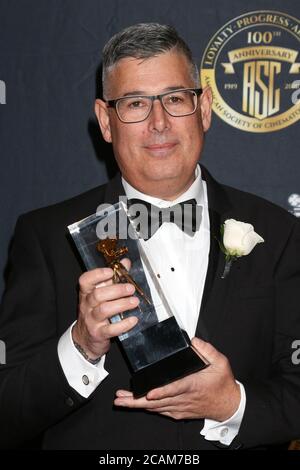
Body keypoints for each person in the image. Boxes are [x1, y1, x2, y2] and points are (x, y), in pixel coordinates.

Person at [0, 22, 300, 450]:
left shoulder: (281, 233)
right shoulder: (46, 237)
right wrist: (80, 346)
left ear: (205, 109)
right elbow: (7, 409)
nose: (159, 123)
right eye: (135, 104)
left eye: (175, 99)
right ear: (106, 121)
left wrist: (232, 404)